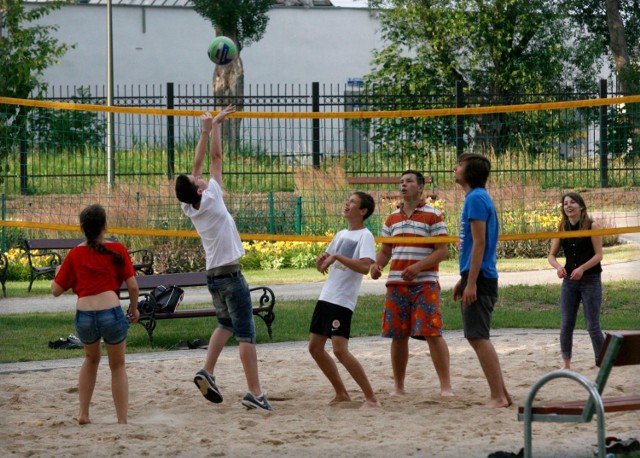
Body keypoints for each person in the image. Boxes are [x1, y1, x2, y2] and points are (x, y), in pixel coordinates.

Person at [174, 105, 272, 411]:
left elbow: (200, 164)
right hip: (230, 276)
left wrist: (207, 129)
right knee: (246, 335)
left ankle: (208, 370)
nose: (199, 177)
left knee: (224, 324)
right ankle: (255, 393)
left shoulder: (190, 206)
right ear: (200, 190)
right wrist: (214, 127)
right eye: (197, 180)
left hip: (213, 277)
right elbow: (213, 159)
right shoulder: (212, 196)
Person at [51, 204, 140, 424]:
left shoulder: (74, 254)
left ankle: (83, 413)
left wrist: (57, 273)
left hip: (84, 315)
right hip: (110, 312)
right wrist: (134, 308)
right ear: (105, 226)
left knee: (91, 359)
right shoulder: (117, 249)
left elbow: (55, 291)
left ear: (82, 228)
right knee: (117, 365)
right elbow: (134, 287)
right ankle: (121, 421)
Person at [370, 170, 454, 397]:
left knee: (432, 332)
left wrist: (418, 267)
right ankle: (399, 387)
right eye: (401, 182)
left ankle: (446, 387)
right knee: (398, 336)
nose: (403, 185)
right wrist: (377, 266)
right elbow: (386, 250)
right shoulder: (392, 218)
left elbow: (443, 251)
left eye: (408, 181)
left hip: (425, 284)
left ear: (421, 187)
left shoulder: (433, 215)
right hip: (397, 284)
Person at [309, 191, 381, 409]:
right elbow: (323, 266)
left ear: (363, 211)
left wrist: (337, 257)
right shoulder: (341, 234)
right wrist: (320, 260)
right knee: (315, 348)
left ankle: (371, 398)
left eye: (352, 202)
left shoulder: (365, 236)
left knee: (340, 349)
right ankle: (341, 393)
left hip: (342, 301)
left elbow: (364, 267)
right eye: (347, 200)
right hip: (327, 296)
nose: (346, 204)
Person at [452, 153, 511, 408]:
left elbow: (480, 243)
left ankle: (497, 397)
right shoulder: (477, 197)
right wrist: (464, 279)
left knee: (478, 337)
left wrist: (472, 282)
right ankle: (503, 395)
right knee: (478, 335)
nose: (455, 168)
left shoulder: (475, 198)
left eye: (460, 165)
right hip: (477, 275)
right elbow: (474, 247)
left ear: (470, 172)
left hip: (482, 277)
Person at [547, 191, 604, 370]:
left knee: (592, 326)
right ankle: (566, 365)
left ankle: (602, 363)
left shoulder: (591, 226)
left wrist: (582, 268)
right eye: (565, 204)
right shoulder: (562, 227)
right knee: (566, 324)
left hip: (591, 279)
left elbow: (599, 255)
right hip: (570, 281)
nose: (568, 206)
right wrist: (558, 267)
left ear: (581, 206)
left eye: (572, 203)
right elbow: (551, 255)